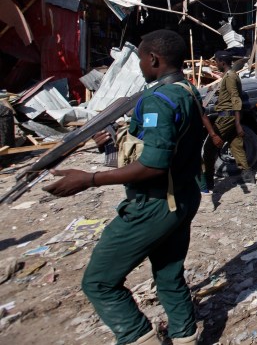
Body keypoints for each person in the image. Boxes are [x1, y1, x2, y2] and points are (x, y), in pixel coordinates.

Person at [43, 30, 205, 345]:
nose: (140, 65)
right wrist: (114, 140)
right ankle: (185, 336)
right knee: (169, 277)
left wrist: (87, 179)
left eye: (142, 59)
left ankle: (137, 335)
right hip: (183, 197)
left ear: (154, 59)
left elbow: (154, 165)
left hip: (155, 204)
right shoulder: (186, 90)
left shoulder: (159, 100)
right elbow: (162, 144)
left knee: (100, 282)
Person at [200, 51, 255, 202]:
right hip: (230, 116)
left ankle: (208, 182)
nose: (215, 64)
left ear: (222, 62)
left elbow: (235, 98)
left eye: (217, 61)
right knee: (236, 146)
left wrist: (237, 123)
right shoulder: (229, 75)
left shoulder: (230, 76)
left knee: (209, 149)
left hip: (227, 117)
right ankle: (248, 177)